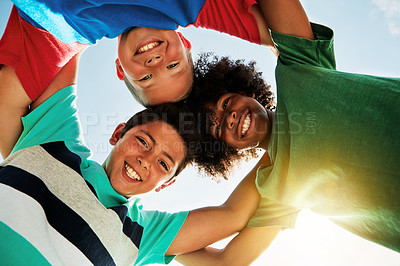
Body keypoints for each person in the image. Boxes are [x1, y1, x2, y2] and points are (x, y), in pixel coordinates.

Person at [0, 41, 265, 265]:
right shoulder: (56, 141)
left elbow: (234, 216)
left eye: (163, 163)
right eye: (143, 142)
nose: (145, 161)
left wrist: (282, 142)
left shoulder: (142, 233)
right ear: (118, 133)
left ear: (167, 183)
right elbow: (59, 37)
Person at [178, 0, 400, 264]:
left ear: (246, 92)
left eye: (226, 104)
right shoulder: (277, 187)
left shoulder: (298, 70)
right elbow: (227, 261)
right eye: (217, 128)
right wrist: (153, 240)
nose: (229, 118)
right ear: (229, 150)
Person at [0, 0, 275, 158]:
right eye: (174, 65)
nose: (156, 63)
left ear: (120, 69)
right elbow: (290, 38)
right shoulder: (189, 6)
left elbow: (6, 115)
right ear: (184, 41)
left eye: (146, 78)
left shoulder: (61, 34)